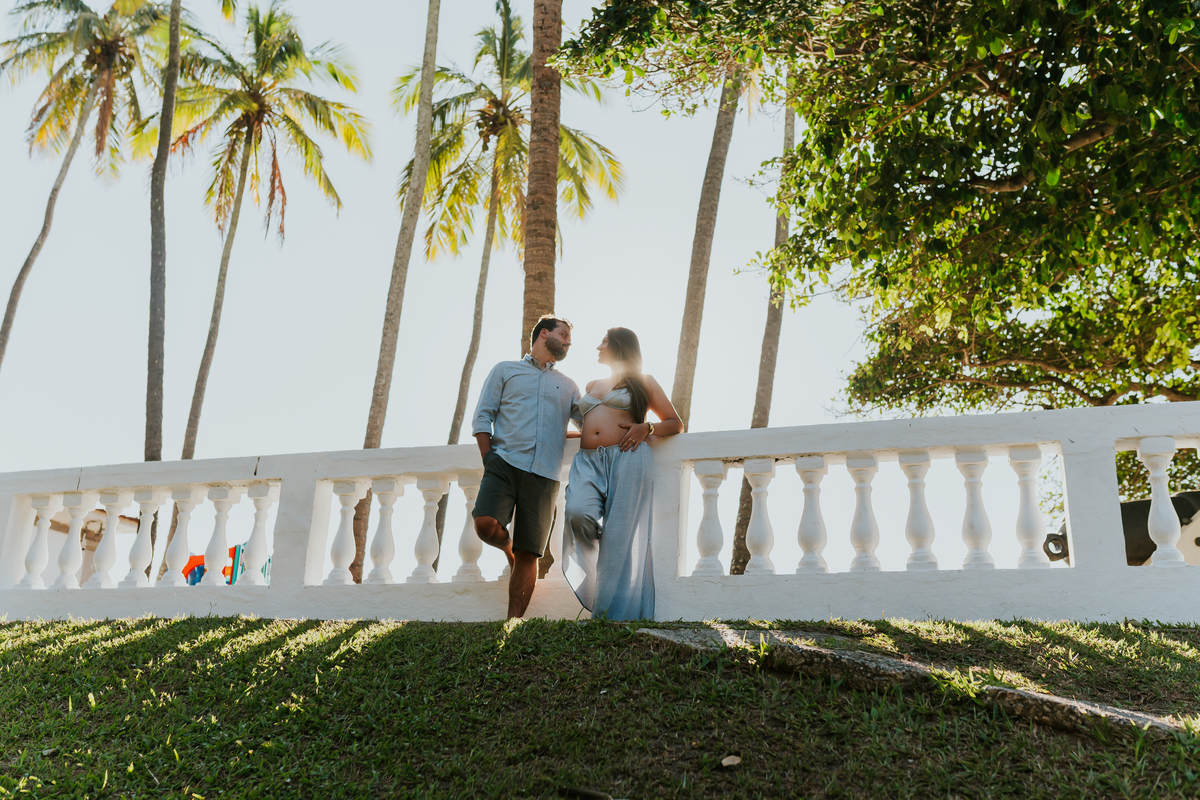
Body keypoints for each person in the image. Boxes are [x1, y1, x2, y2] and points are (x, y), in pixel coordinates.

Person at [562, 327, 682, 620]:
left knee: (621, 536)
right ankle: (608, 554)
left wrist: (648, 427)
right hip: (588, 461)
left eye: (604, 342)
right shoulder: (591, 384)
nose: (598, 347)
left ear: (619, 346)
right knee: (578, 513)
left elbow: (675, 423)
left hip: (628, 457)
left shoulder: (643, 382)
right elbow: (585, 424)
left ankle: (607, 618)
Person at [471, 315, 580, 619]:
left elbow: (589, 425)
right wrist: (488, 458)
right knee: (484, 523)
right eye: (565, 334)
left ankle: (513, 623)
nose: (569, 341)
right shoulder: (506, 370)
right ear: (544, 334)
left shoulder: (569, 386)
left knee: (529, 552)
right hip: (503, 463)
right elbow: (482, 416)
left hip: (544, 474)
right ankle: (506, 547)